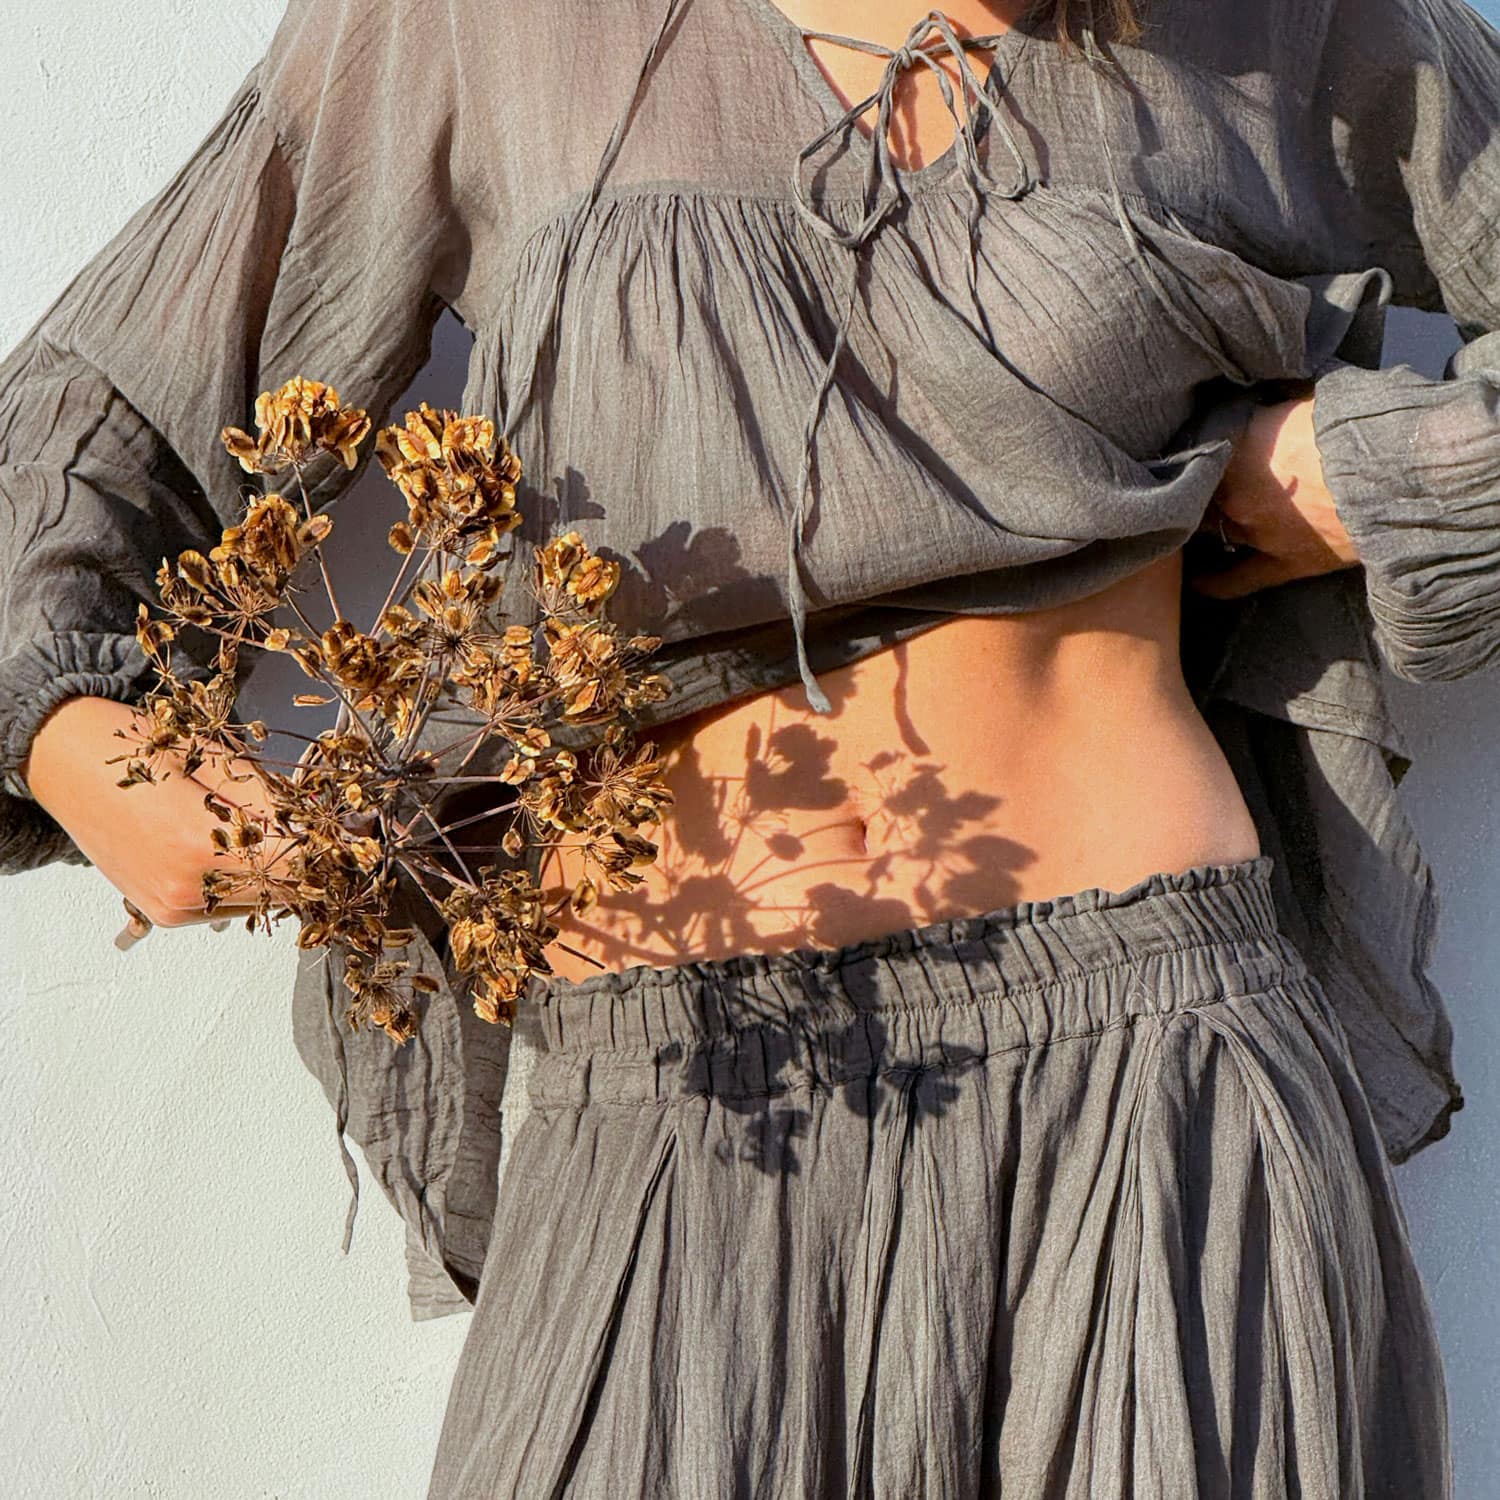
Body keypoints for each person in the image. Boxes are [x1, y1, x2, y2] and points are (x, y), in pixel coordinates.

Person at [3, 0, 1492, 1492]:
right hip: (675, 1100)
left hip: (1158, 1088)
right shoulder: (480, 27)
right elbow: (98, 412)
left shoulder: (1273, 23)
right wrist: (72, 734)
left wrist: (1368, 474)